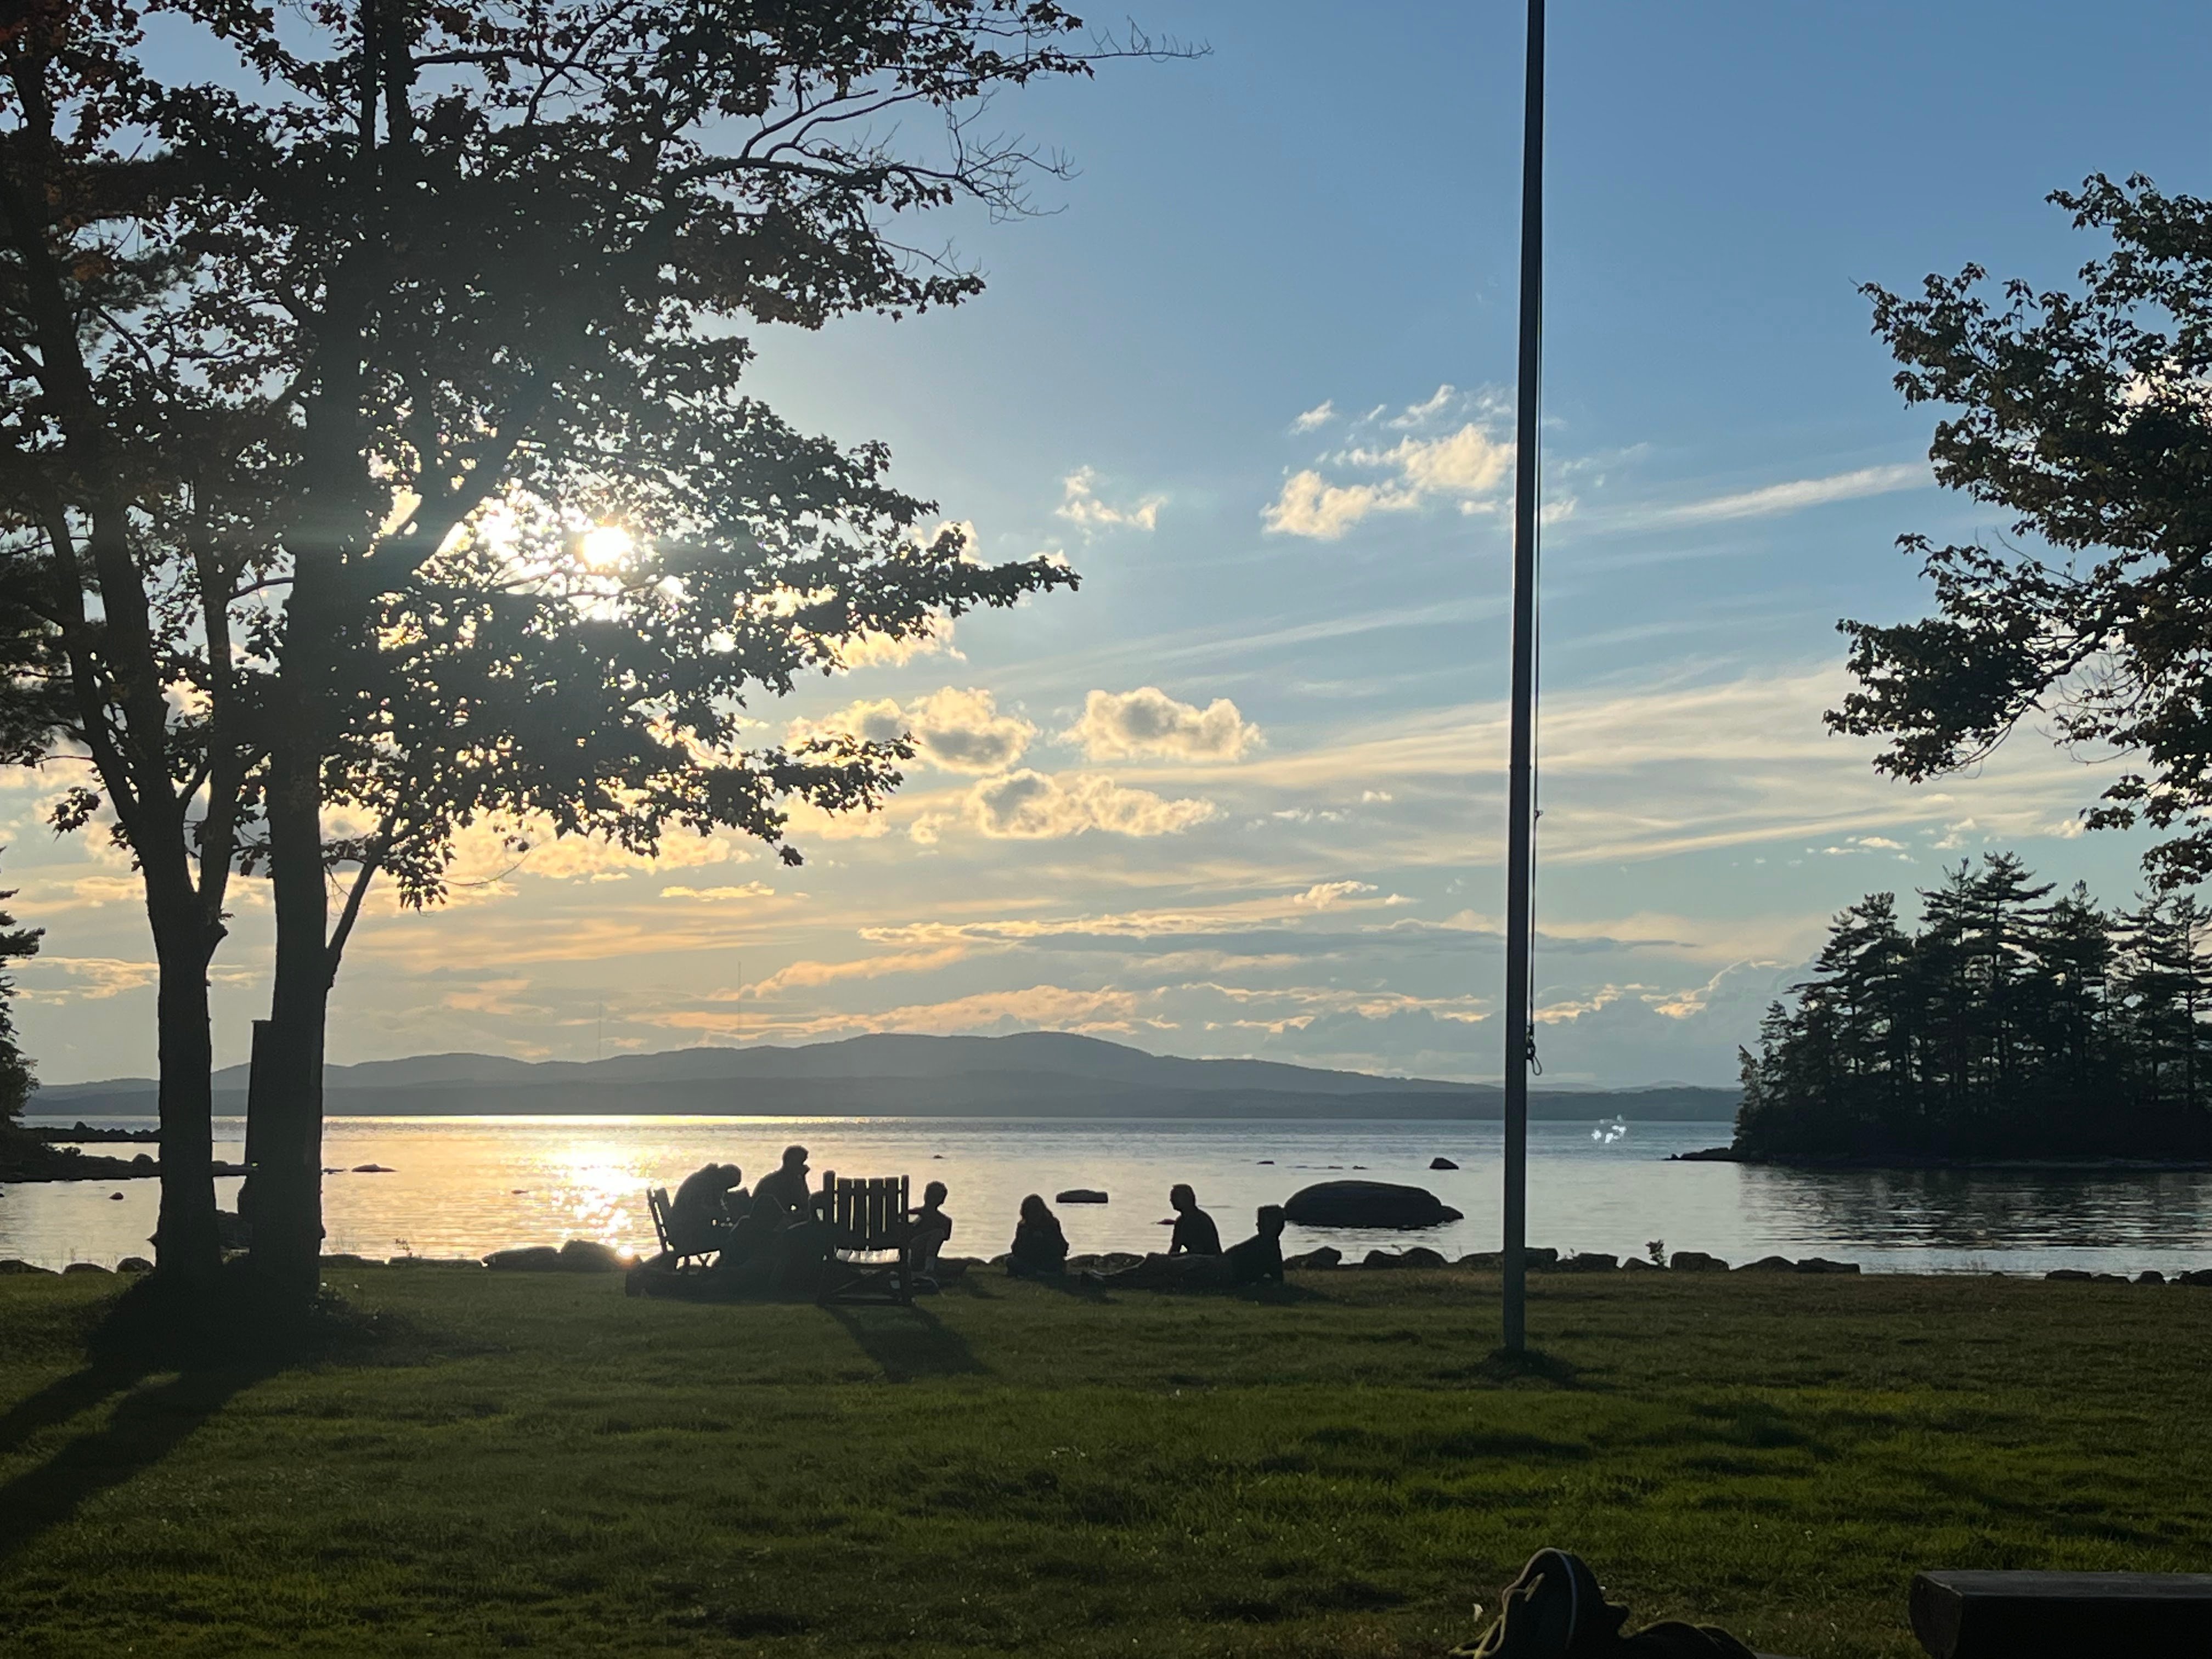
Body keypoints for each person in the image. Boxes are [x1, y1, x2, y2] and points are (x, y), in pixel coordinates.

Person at [665, 1162, 743, 1254]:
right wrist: (720, 1214)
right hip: (688, 1236)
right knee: (734, 1235)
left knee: (731, 1232)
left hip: (682, 1231)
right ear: (724, 1180)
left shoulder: (704, 1180)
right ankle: (727, 1264)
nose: (725, 1191)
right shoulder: (704, 1185)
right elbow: (698, 1211)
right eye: (727, 1187)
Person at [1007, 1193, 1068, 1278]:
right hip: (1031, 1261)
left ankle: (1038, 1273)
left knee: (1056, 1263)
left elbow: (1062, 1248)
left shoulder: (1051, 1225)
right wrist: (1024, 1239)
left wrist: (1044, 1239)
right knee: (1010, 1260)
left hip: (1048, 1261)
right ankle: (1038, 1273)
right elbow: (1016, 1249)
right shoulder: (1023, 1227)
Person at [1224, 1205, 1286, 1285]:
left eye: (1260, 1222)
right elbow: (1277, 1277)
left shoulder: (1264, 1245)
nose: (1257, 1225)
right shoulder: (1269, 1246)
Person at [750, 1144, 812, 1221]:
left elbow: (805, 1205)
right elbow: (805, 1205)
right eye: (801, 1163)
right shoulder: (776, 1182)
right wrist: (801, 1179)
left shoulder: (792, 1181)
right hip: (771, 1220)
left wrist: (802, 1178)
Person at [909, 1180, 953, 1285]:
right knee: (937, 1234)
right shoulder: (913, 1215)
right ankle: (929, 1269)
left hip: (915, 1254)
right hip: (910, 1253)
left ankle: (928, 1267)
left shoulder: (945, 1222)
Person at [1166, 1183, 1221, 1256]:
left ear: (1187, 1199)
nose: (1171, 1200)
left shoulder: (1200, 1220)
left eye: (1175, 1197)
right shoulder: (1180, 1222)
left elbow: (1200, 1251)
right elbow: (1175, 1248)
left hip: (1209, 1260)